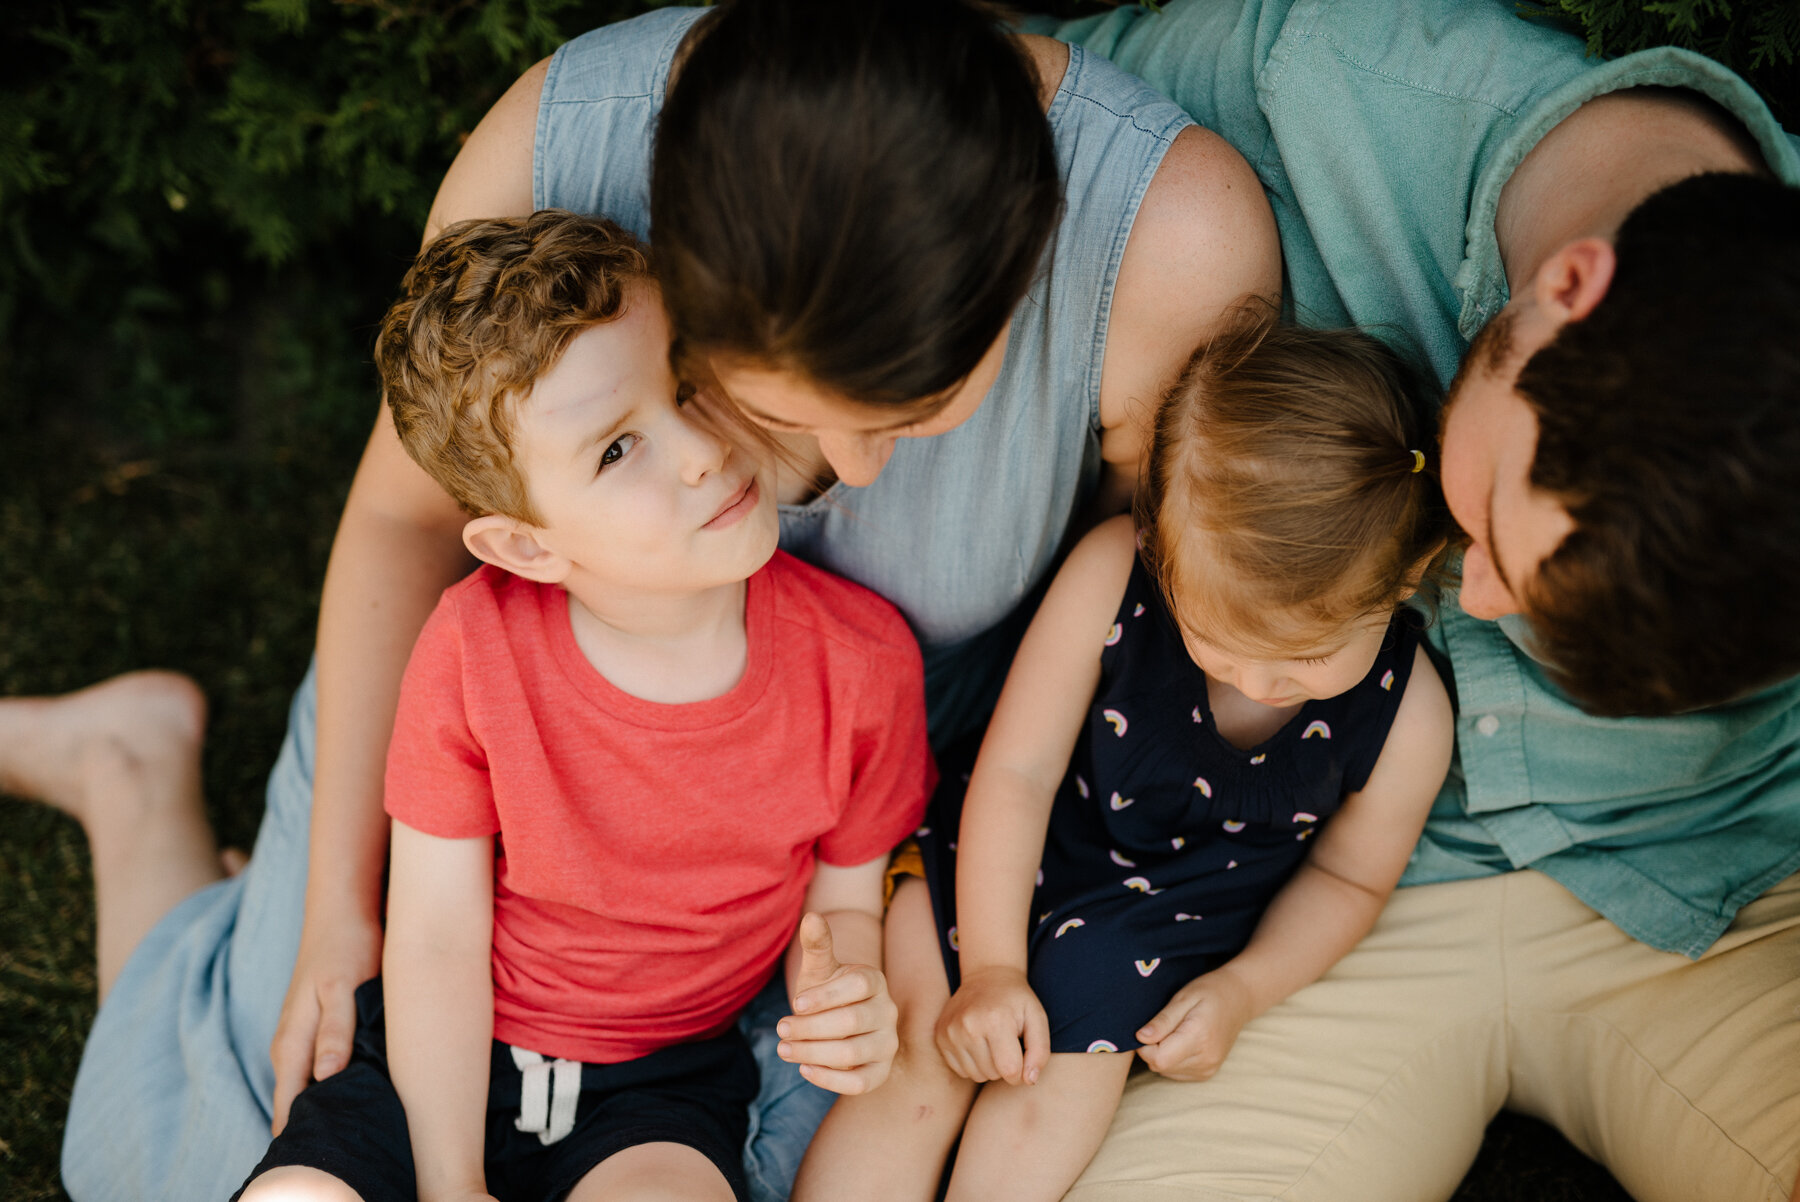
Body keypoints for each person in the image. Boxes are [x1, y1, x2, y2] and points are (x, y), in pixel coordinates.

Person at [50, 2, 1281, 1200]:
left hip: (836, 820)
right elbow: (403, 518)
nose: (846, 474)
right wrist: (338, 906)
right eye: (779, 407)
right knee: (227, 1149)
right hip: (510, 764)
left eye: (913, 413)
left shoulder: (1167, 254)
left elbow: (1128, 623)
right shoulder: (561, 152)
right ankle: (133, 769)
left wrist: (886, 926)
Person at [1016, 2, 1800, 1199]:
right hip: (1294, 918)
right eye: (1486, 522)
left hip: (1720, 882)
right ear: (1573, 284)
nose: (1471, 597)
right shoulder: (1323, 84)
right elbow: (973, 101)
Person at [227, 208, 931, 1202]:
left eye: (687, 383)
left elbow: (848, 903)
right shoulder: (475, 649)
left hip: (658, 1083)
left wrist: (848, 984)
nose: (698, 446)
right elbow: (434, 932)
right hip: (434, 1054)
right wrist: (450, 1180)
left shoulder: (862, 664)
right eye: (615, 450)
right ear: (528, 547)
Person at [794, 310, 1456, 1201]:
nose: (1261, 683)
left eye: (1307, 658)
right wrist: (990, 967)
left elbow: (1348, 882)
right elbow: (1016, 773)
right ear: (1163, 547)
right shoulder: (1115, 574)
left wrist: (1245, 992)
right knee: (916, 1063)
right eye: (1218, 641)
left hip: (1164, 926)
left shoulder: (1406, 715)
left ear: (1407, 576)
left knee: (1048, 1098)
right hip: (1007, 852)